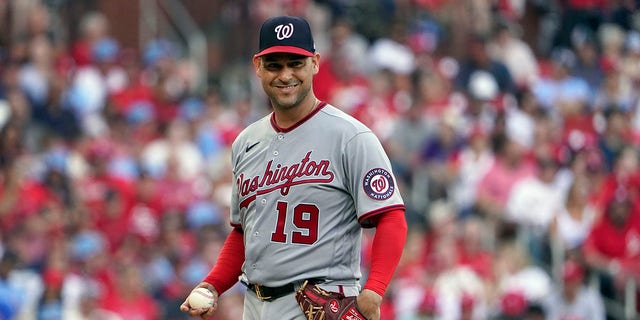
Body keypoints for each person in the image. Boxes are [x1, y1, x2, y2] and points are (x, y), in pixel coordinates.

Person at [180, 15, 408, 320]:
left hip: (321, 301)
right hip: (255, 303)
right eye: (275, 65)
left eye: (295, 63)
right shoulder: (246, 142)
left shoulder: (351, 137)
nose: (285, 75)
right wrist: (213, 284)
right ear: (258, 67)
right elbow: (243, 233)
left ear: (314, 63)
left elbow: (391, 216)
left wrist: (374, 290)